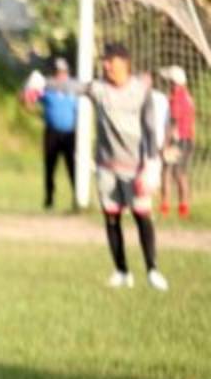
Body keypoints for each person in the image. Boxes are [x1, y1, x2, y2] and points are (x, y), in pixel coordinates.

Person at [83, 42, 168, 291]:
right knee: (111, 217)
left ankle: (152, 270)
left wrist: (151, 162)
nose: (106, 65)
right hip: (106, 166)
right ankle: (121, 272)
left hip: (135, 168)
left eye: (110, 60)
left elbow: (150, 128)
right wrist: (42, 84)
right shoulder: (98, 89)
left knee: (142, 216)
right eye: (105, 61)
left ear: (124, 63)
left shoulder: (140, 91)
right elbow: (73, 86)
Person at [22, 58, 80, 210]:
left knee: (72, 166)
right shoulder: (46, 88)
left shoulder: (73, 89)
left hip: (70, 134)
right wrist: (37, 113)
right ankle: (49, 199)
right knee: (50, 166)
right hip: (52, 133)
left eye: (63, 72)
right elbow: (27, 99)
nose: (60, 75)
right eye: (57, 72)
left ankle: (78, 198)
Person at [159, 64, 196, 219]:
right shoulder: (187, 96)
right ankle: (183, 207)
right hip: (188, 138)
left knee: (168, 172)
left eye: (169, 81)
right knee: (180, 172)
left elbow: (173, 123)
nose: (167, 84)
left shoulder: (176, 98)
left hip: (178, 139)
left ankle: (166, 206)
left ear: (174, 82)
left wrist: (165, 143)